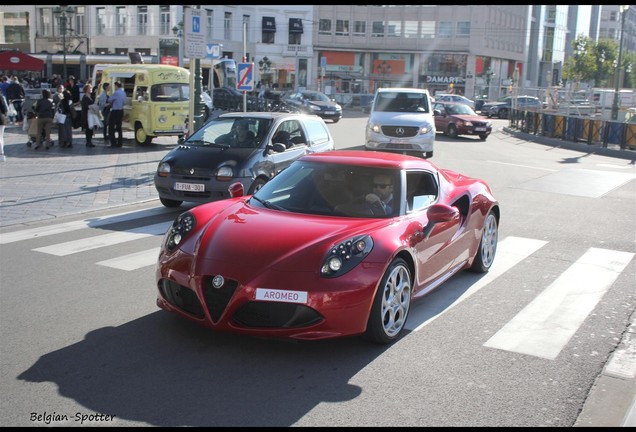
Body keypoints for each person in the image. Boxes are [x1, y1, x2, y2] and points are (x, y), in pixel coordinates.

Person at [107, 81, 125, 147]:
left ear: (116, 86)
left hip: (115, 111)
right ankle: (120, 143)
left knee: (111, 127)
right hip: (121, 111)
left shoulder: (116, 93)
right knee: (119, 128)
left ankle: (113, 143)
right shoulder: (123, 93)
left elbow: (109, 100)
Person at [80, 83, 96, 147]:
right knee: (88, 129)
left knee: (90, 129)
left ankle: (89, 141)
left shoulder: (89, 96)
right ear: (86, 89)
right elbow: (87, 106)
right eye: (90, 88)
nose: (91, 89)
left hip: (90, 115)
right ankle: (88, 141)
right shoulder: (85, 97)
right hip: (87, 115)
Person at [0, 93, 7, 161]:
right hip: (1, 119)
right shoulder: (0, 96)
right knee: (0, 137)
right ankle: (1, 154)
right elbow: (4, 109)